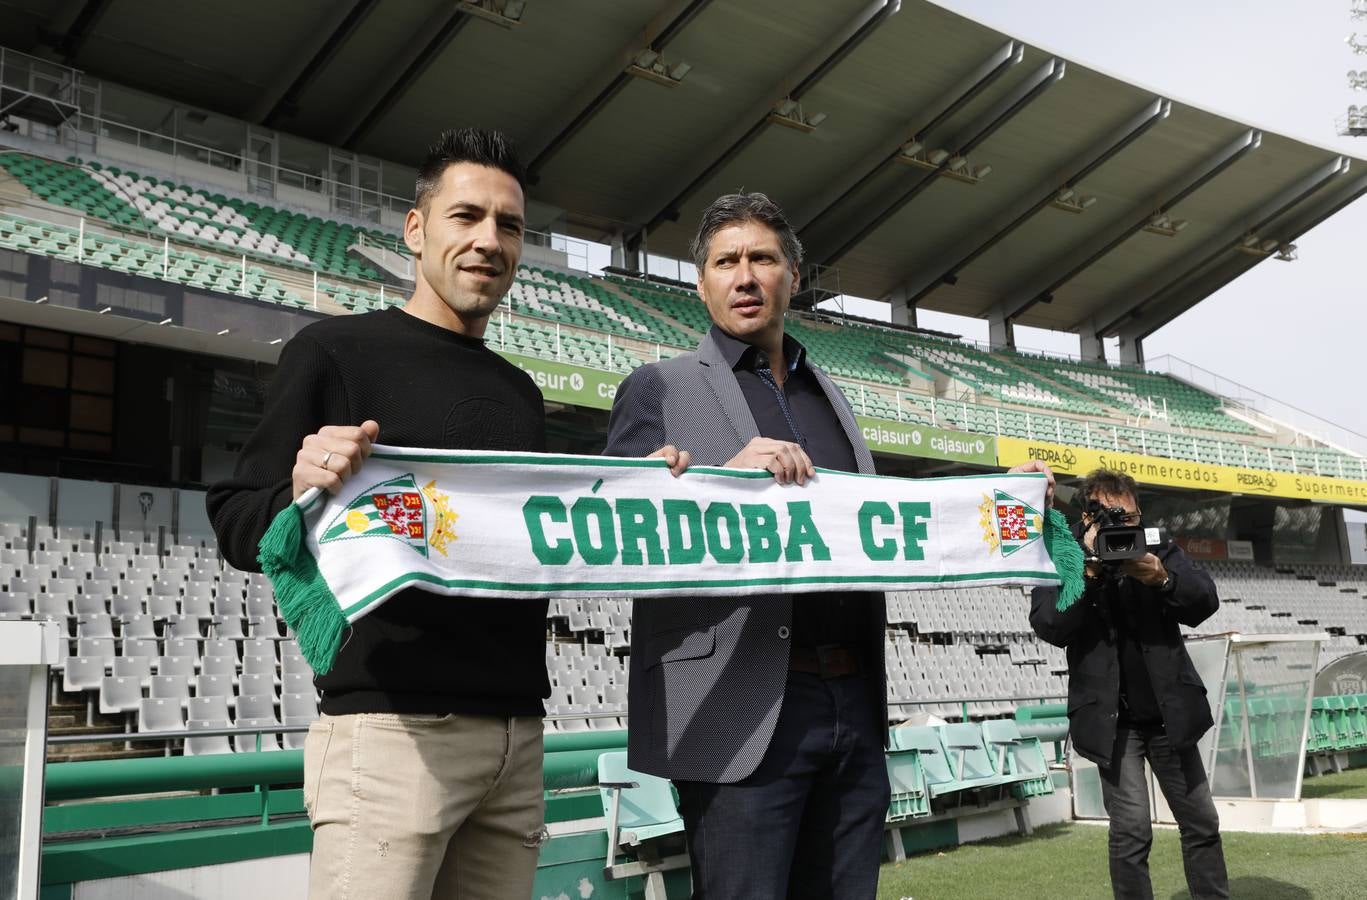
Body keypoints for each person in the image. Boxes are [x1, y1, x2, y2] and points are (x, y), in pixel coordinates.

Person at [603, 191, 1053, 898]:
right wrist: (724, 480)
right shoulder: (656, 387)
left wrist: (997, 495)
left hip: (851, 698)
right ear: (701, 283)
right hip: (739, 707)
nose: (744, 276)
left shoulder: (832, 396)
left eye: (762, 258)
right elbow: (621, 527)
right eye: (725, 262)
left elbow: (884, 516)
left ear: (792, 274)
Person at [207, 128, 548, 900]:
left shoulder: (522, 392)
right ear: (416, 228)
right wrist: (301, 485)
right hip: (391, 733)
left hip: (517, 737)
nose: (488, 241)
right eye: (466, 217)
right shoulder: (335, 352)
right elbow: (236, 521)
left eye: (509, 225)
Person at [1029, 468, 1228, 900]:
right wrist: (1087, 571)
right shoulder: (1064, 557)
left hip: (1169, 716)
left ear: (1140, 515)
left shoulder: (1158, 546)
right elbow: (1050, 625)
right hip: (1112, 724)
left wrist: (1160, 577)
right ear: (1087, 520)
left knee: (1202, 822)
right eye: (1109, 517)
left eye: (1129, 516)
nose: (1122, 527)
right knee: (1132, 831)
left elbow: (1204, 600)